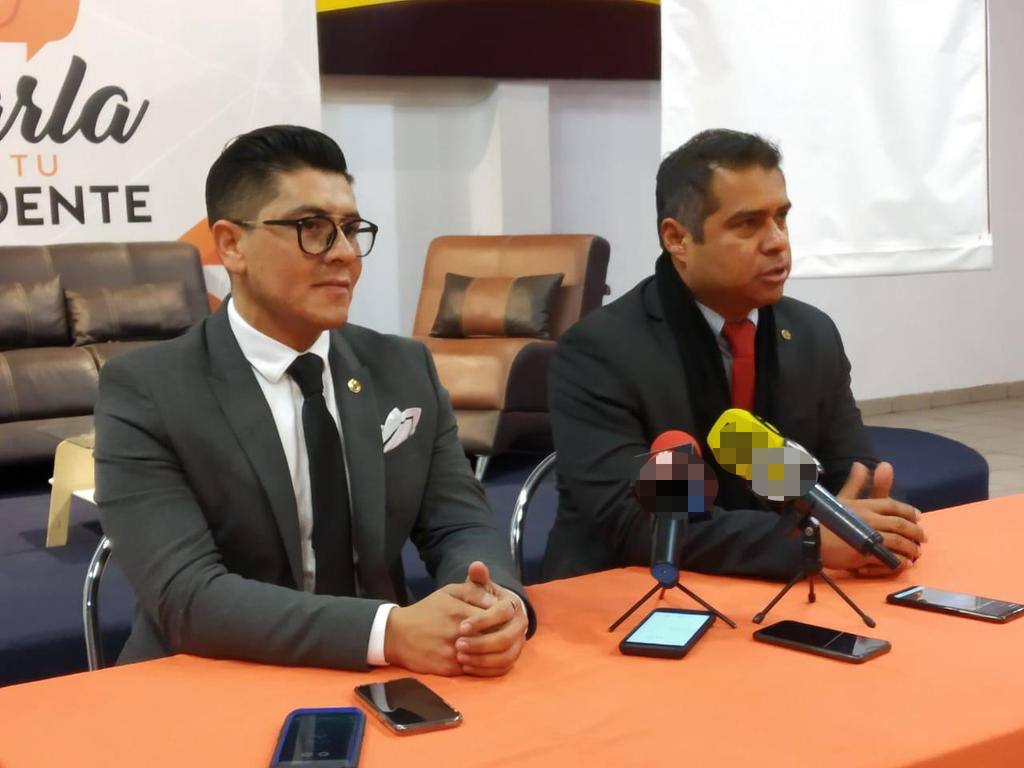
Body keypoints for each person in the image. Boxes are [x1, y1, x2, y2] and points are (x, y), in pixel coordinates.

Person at [95, 124, 531, 676]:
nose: (344, 254)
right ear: (231, 245)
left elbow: (458, 524)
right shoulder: (147, 388)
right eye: (312, 229)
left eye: (350, 229)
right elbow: (187, 596)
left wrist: (494, 604)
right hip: (216, 676)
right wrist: (387, 632)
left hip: (391, 676)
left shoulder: (403, 367)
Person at [543, 128, 926, 582]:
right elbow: (635, 522)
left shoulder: (811, 334)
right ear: (677, 239)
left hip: (779, 586)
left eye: (781, 218)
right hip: (630, 591)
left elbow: (852, 471)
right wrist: (808, 542)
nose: (777, 241)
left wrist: (871, 520)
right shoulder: (600, 351)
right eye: (748, 224)